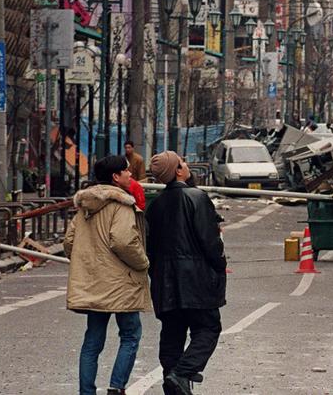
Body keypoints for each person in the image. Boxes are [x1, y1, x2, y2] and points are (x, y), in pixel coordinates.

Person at [64, 155, 151, 395]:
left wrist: (89, 261)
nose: (130, 174)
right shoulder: (121, 205)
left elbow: (69, 242)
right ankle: (116, 387)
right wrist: (143, 263)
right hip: (122, 282)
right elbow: (123, 242)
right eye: (126, 171)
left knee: (92, 341)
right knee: (131, 334)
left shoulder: (84, 207)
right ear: (115, 177)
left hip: (94, 281)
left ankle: (86, 392)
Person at [145, 151, 226, 395]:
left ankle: (173, 382)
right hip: (195, 278)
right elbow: (210, 242)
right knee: (208, 328)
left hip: (163, 280)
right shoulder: (197, 197)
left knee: (172, 331)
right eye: (182, 162)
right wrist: (219, 264)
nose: (187, 164)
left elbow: (150, 247)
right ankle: (181, 374)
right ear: (178, 170)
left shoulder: (155, 205)